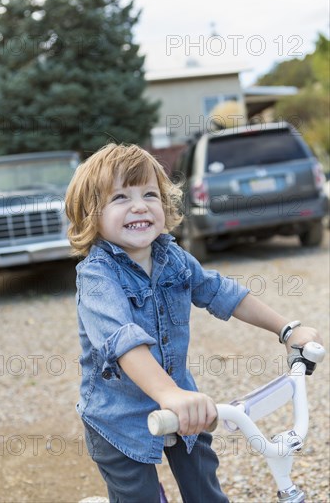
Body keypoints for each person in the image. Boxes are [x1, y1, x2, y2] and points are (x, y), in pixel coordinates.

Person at [65, 143, 322, 503]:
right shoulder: (97, 277)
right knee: (138, 497)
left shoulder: (172, 257)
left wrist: (287, 329)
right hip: (118, 418)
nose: (139, 205)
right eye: (120, 197)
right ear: (92, 214)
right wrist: (170, 395)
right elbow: (123, 342)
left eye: (149, 194)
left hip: (184, 405)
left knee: (207, 493)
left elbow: (222, 293)